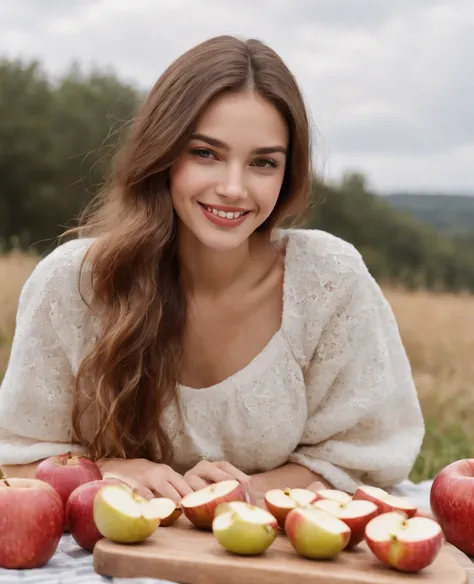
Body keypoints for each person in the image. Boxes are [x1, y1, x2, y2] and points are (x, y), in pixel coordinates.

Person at [0, 35, 424, 507]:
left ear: (289, 174)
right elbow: (15, 455)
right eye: (206, 153)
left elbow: (360, 458)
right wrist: (106, 470)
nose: (233, 187)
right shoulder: (73, 283)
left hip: (270, 556)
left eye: (263, 162)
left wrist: (239, 495)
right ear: (162, 154)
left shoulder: (329, 281)